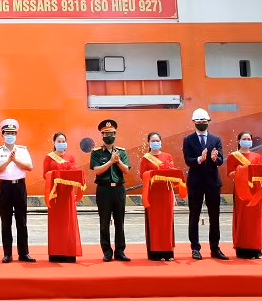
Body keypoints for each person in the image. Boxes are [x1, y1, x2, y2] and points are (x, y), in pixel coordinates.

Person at [183, 108, 228, 260]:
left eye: (204, 122)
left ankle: (215, 248)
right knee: (194, 216)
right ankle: (195, 248)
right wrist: (199, 159)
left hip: (213, 182)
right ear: (194, 123)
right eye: (198, 122)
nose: (201, 124)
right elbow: (188, 160)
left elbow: (221, 160)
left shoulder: (216, 139)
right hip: (195, 183)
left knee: (214, 216)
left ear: (208, 122)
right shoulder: (188, 140)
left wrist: (215, 159)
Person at [0, 118, 36, 263]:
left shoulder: (22, 150)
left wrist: (15, 160)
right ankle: (7, 254)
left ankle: (24, 253)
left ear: (16, 134)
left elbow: (29, 167)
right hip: (5, 187)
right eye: (7, 133)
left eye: (13, 133)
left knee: (21, 221)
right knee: (6, 221)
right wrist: (8, 161)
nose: (10, 135)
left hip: (19, 186)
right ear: (2, 135)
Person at [90, 119, 131, 262]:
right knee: (104, 222)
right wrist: (110, 162)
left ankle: (120, 251)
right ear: (102, 135)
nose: (109, 136)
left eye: (111, 133)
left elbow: (126, 170)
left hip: (119, 189)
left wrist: (118, 161)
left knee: (120, 222)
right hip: (104, 190)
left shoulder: (122, 152)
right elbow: (97, 170)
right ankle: (107, 252)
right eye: (106, 133)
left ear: (115, 134)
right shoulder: (96, 153)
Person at [227, 131, 262, 259]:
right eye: (244, 138)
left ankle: (256, 248)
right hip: (242, 191)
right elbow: (230, 174)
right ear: (239, 141)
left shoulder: (257, 156)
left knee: (256, 220)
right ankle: (242, 248)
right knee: (243, 219)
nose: (247, 140)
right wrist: (243, 171)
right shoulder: (233, 156)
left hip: (256, 192)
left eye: (248, 139)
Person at [42, 132, 82, 263]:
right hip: (55, 193)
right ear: (54, 143)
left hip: (67, 195)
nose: (61, 143)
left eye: (63, 141)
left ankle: (69, 253)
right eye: (58, 141)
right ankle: (56, 252)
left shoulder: (70, 157)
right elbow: (45, 174)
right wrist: (56, 174)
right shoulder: (49, 158)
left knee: (68, 223)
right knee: (56, 224)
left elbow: (75, 173)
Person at [140, 132, 177, 261]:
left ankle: (168, 252)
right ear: (149, 143)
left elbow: (173, 175)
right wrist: (154, 173)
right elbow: (143, 175)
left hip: (166, 193)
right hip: (153, 194)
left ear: (161, 142)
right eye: (153, 141)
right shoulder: (146, 158)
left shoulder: (167, 156)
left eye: (157, 140)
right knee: (155, 222)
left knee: (166, 222)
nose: (155, 143)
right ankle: (155, 252)